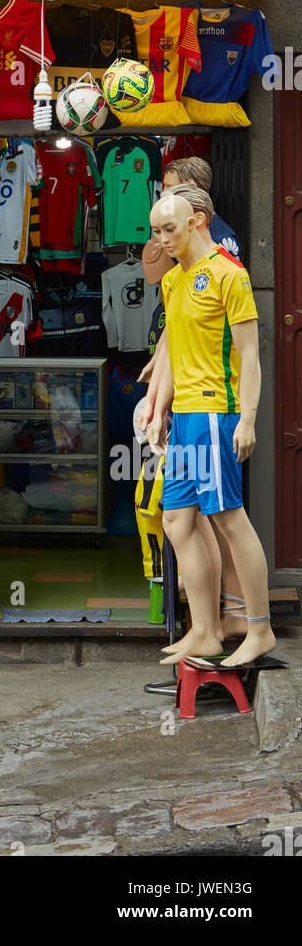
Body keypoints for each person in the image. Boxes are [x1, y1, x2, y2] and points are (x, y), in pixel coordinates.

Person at [145, 191, 275, 669]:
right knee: (176, 520)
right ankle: (203, 631)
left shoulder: (229, 274)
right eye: (155, 231)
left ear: (197, 221)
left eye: (169, 230)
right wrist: (160, 410)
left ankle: (259, 630)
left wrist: (248, 417)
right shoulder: (174, 280)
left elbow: (249, 355)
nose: (161, 241)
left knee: (229, 520)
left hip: (217, 415)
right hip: (185, 420)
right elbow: (176, 354)